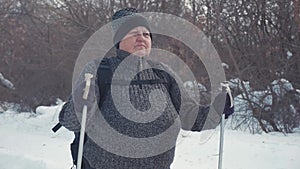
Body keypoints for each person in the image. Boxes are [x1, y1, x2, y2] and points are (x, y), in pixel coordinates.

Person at [58, 7, 234, 169]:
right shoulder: (98, 70)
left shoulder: (164, 73)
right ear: (119, 40)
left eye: (146, 34)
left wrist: (217, 109)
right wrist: (79, 105)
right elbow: (72, 121)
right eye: (133, 33)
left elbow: (192, 117)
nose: (141, 38)